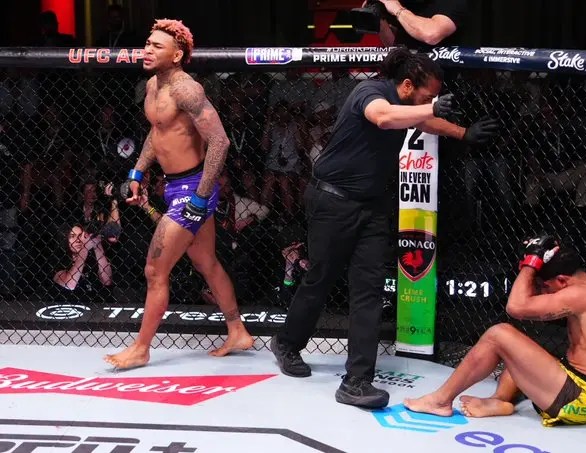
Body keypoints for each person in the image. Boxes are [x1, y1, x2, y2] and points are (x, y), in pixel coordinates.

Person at [270, 47, 498, 409]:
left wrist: (463, 132)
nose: (431, 102)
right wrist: (431, 108)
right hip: (332, 200)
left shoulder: (409, 107)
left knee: (370, 289)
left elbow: (420, 121)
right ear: (406, 86)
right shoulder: (371, 92)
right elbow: (385, 118)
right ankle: (286, 342)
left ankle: (357, 381)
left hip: (372, 206)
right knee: (321, 277)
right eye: (427, 96)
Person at [104, 19, 253, 369]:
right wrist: (138, 170)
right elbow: (157, 133)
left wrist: (200, 197)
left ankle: (141, 348)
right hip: (173, 185)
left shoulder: (187, 90)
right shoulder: (152, 85)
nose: (147, 49)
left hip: (194, 188)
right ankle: (237, 331)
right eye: (147, 43)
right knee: (206, 262)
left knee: (155, 271)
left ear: (176, 55)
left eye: (157, 46)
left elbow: (220, 142)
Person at [404, 234, 586, 427]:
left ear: (562, 280)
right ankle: (500, 400)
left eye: (544, 286)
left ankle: (441, 401)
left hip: (577, 400)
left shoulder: (581, 295)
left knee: (498, 334)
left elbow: (515, 307)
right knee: (518, 352)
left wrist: (531, 264)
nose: (542, 292)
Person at [369, 0, 468, 50]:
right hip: (404, 73)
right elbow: (397, 45)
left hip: (438, 77)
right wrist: (379, 18)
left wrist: (397, 9)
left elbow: (431, 35)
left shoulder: (451, 2)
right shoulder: (411, 4)